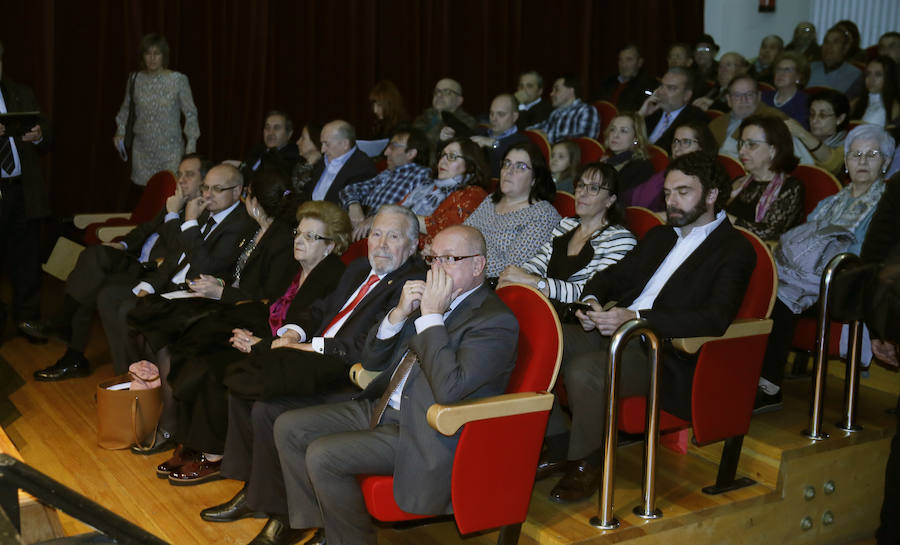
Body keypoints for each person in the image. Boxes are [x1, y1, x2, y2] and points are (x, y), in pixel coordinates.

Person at [271, 224, 519, 545]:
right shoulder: (426, 300)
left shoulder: (493, 321)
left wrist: (431, 317)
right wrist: (400, 313)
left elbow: (450, 389)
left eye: (450, 258)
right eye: (433, 259)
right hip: (383, 406)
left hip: (426, 429)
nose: (437, 269)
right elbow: (373, 360)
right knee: (289, 426)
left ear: (478, 266)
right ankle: (326, 527)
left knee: (323, 455)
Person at [196, 206, 425, 544]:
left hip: (349, 376)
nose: (381, 244)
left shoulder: (409, 285)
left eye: (393, 236)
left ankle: (287, 515)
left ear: (413, 245)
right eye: (376, 234)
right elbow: (321, 307)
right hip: (314, 359)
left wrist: (310, 347)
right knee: (246, 391)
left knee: (264, 404)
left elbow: (367, 346)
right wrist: (292, 333)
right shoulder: (361, 266)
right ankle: (260, 495)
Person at [541, 151, 755, 503]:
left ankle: (586, 464)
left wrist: (636, 319)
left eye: (683, 192)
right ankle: (559, 439)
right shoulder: (661, 236)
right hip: (619, 332)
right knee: (545, 339)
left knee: (586, 371)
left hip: (664, 353)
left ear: (712, 195)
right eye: (668, 192)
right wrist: (591, 300)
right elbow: (612, 276)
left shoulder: (734, 249)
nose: (671, 201)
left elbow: (714, 318)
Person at [149, 201, 351, 480]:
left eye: (310, 237)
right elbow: (269, 305)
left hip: (290, 353)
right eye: (299, 233)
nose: (299, 241)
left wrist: (258, 342)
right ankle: (192, 442)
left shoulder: (333, 275)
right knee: (197, 353)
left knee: (215, 368)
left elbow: (313, 326)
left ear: (331, 245)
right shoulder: (296, 269)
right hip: (264, 334)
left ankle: (215, 452)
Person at [125, 169, 303, 456]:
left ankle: (171, 427)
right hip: (230, 304)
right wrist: (219, 284)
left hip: (251, 317)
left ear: (251, 200)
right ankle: (162, 417)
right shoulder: (258, 230)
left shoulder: (280, 240)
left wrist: (222, 292)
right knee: (152, 323)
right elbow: (239, 278)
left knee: (177, 345)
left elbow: (270, 299)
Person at [24, 154, 211, 380]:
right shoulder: (174, 203)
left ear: (203, 181)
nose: (181, 180)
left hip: (152, 272)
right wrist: (122, 243)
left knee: (96, 275)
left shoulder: (196, 214)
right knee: (93, 265)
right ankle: (71, 347)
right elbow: (143, 230)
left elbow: (177, 252)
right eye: (179, 174)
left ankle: (66, 337)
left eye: (189, 175)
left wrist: (173, 214)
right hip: (134, 259)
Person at [755, 124, 895, 413]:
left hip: (848, 281)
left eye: (873, 154)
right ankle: (746, 375)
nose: (863, 161)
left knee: (779, 298)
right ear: (845, 162)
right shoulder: (831, 201)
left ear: (887, 162)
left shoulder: (888, 205)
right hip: (811, 277)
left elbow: (869, 255)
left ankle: (769, 386)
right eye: (855, 154)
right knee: (761, 286)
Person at [96, 164, 257, 374]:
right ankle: (129, 375)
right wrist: (150, 286)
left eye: (217, 189)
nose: (208, 195)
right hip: (171, 282)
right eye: (205, 188)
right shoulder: (202, 212)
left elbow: (205, 268)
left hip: (197, 293)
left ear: (237, 191)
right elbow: (174, 256)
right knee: (109, 296)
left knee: (129, 308)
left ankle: (140, 379)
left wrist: (189, 222)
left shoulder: (241, 224)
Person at [498, 162, 637, 307]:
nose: (582, 193)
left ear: (610, 200)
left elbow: (592, 294)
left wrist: (535, 282)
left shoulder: (620, 239)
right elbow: (538, 263)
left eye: (593, 188)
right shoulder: (565, 225)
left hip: (576, 322)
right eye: (581, 185)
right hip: (542, 306)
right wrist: (516, 275)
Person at [0, 39, 53, 341]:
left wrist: (39, 133)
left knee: (27, 259)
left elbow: (48, 131)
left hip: (23, 190)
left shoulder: (20, 92)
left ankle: (28, 318)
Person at [113, 34, 199, 196]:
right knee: (147, 198)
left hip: (170, 150)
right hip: (143, 150)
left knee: (170, 194)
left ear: (164, 56)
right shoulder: (135, 79)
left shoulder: (178, 80)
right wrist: (120, 132)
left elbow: (191, 114)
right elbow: (126, 110)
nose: (152, 58)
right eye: (148, 53)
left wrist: (191, 146)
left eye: (157, 53)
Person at [464, 141, 561, 278]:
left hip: (497, 289)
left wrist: (466, 254)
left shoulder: (543, 215)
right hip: (465, 273)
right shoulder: (491, 200)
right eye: (507, 163)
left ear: (535, 178)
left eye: (520, 167)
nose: (509, 171)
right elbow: (462, 233)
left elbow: (508, 270)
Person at [341, 126, 431, 241]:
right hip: (360, 230)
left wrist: (379, 218)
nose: (386, 152)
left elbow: (414, 210)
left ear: (411, 153)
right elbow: (350, 189)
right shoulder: (387, 173)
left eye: (393, 147)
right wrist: (354, 206)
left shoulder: (422, 175)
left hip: (385, 236)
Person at [727, 115, 805, 241]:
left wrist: (726, 219)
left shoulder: (790, 187)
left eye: (751, 145)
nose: (741, 151)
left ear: (773, 150)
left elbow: (770, 232)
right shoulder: (739, 182)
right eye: (741, 143)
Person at [628, 120, 718, 212]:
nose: (677, 148)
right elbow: (633, 197)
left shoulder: (707, 179)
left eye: (686, 142)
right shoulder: (665, 174)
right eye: (675, 141)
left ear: (702, 147)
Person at [413, 138, 489, 247]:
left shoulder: (474, 194)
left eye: (452, 157)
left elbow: (445, 228)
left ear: (470, 164)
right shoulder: (427, 187)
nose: (442, 161)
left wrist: (403, 217)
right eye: (442, 155)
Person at [445, 93, 527, 177]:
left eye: (500, 114)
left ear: (514, 116)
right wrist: (445, 140)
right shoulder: (480, 132)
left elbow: (510, 162)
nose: (493, 119)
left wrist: (493, 144)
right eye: (491, 113)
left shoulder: (523, 142)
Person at [638, 67, 708, 151]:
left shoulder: (695, 119)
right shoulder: (652, 110)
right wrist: (640, 115)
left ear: (687, 95)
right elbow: (628, 140)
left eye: (671, 88)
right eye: (661, 86)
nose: (661, 92)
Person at [306, 120, 376, 203]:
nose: (322, 150)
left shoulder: (362, 168)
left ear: (345, 144)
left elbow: (346, 205)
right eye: (322, 144)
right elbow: (306, 192)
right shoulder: (323, 161)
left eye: (327, 144)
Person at [784, 89, 851, 176]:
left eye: (822, 115)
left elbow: (834, 166)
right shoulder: (802, 138)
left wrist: (803, 134)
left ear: (840, 119)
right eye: (812, 114)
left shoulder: (848, 144)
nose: (814, 121)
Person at [226, 110, 300, 182]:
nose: (270, 133)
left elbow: (265, 181)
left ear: (289, 134)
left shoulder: (292, 156)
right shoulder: (258, 150)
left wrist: (241, 167)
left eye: (276, 128)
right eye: (267, 128)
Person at [601, 113, 654, 207]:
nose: (615, 135)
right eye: (613, 129)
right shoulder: (605, 160)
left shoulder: (642, 167)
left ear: (636, 138)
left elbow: (625, 203)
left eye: (623, 131)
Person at [528, 74, 600, 143]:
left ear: (571, 91)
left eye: (556, 89)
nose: (551, 94)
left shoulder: (586, 110)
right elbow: (537, 128)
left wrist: (546, 137)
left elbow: (585, 141)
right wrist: (530, 132)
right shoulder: (555, 113)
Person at [595, 44, 658, 113]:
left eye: (629, 60)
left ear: (640, 62)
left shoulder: (649, 85)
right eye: (620, 60)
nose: (623, 64)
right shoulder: (608, 83)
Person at [807, 25, 864, 100]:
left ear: (845, 48)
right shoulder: (809, 68)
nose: (829, 46)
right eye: (826, 42)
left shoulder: (855, 75)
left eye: (835, 42)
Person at [413, 78, 476, 146]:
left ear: (459, 100)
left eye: (447, 92)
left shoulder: (466, 122)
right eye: (437, 91)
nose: (439, 95)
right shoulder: (423, 117)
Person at [762, 51, 811, 127]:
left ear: (798, 76)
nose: (781, 73)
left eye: (787, 70)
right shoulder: (764, 96)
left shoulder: (805, 102)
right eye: (778, 69)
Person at [851, 56, 900, 128]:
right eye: (868, 74)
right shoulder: (856, 102)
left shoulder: (894, 106)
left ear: (889, 77)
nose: (871, 79)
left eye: (878, 74)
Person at [290, 122, 322, 194]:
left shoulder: (325, 168)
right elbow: (289, 192)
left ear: (315, 141)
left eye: (303, 138)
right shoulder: (296, 165)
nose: (297, 142)